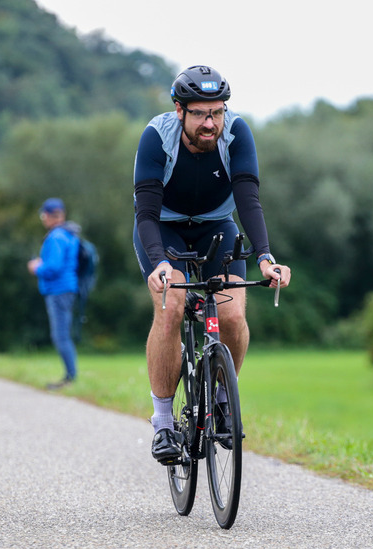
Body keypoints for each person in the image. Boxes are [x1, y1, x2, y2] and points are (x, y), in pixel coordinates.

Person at [133, 65, 291, 465]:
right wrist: (159, 262)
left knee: (232, 314)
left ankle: (222, 397)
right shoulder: (157, 136)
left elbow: (248, 200)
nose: (210, 123)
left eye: (217, 113)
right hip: (163, 228)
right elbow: (145, 212)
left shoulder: (237, 133)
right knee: (170, 308)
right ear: (179, 110)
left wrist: (265, 256)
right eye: (201, 114)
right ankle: (163, 423)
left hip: (216, 227)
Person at [27, 197, 81, 389]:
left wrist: (36, 267)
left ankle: (70, 378)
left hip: (59, 290)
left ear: (48, 216)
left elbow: (53, 267)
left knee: (60, 336)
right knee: (62, 334)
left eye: (43, 216)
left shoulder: (56, 237)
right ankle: (70, 377)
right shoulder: (68, 234)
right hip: (66, 289)